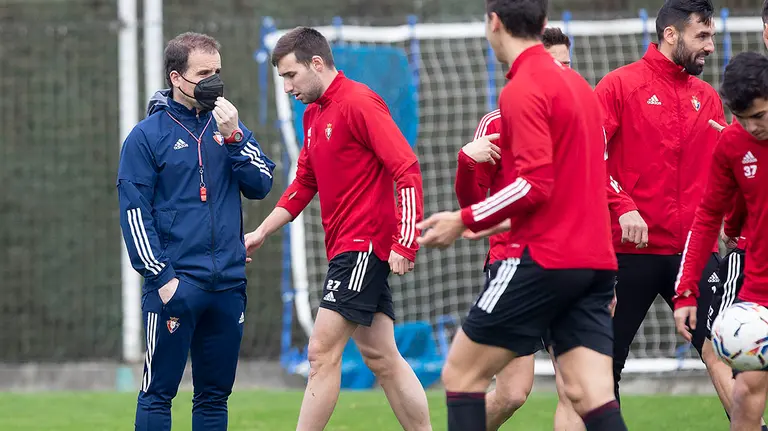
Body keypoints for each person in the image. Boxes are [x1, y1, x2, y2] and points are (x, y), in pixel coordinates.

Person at [417, 1, 628, 430]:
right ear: (543, 24)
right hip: (595, 264)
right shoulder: (583, 93)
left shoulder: (522, 88)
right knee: (592, 396)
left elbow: (534, 184)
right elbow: (586, 187)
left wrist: (464, 220)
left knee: (460, 374)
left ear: (493, 23)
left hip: (543, 260)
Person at [245, 27, 431, 431]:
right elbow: (304, 183)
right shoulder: (313, 114)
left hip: (363, 246)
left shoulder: (359, 103)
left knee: (321, 352)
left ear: (316, 63)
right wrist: (262, 231)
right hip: (349, 249)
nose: (288, 87)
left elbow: (406, 168)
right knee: (382, 357)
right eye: (281, 79)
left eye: (291, 76)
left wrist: (405, 241)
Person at [117, 32, 275, 431]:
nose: (214, 82)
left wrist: (236, 137)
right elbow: (135, 216)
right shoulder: (146, 137)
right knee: (157, 395)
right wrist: (163, 280)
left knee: (214, 398)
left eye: (218, 72)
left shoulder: (229, 127)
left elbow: (260, 185)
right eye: (204, 73)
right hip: (175, 287)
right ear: (176, 77)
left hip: (227, 288)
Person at [593, 0, 729, 404]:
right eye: (701, 36)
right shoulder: (618, 85)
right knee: (602, 366)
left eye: (712, 37)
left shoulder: (707, 98)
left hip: (691, 251)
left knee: (725, 349)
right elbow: (586, 158)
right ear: (671, 35)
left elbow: (721, 174)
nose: (710, 46)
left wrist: (730, 224)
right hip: (624, 249)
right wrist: (622, 204)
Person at [455, 26, 584, 431]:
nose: (565, 73)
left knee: (575, 391)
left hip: (570, 268)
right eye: (557, 65)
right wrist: (466, 160)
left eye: (569, 65)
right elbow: (473, 208)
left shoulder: (578, 121)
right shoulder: (497, 121)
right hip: (515, 267)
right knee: (513, 393)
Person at [673, 50, 768, 431]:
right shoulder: (732, 143)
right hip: (760, 286)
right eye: (743, 119)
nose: (753, 128)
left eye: (760, 116)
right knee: (746, 394)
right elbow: (708, 217)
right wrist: (685, 292)